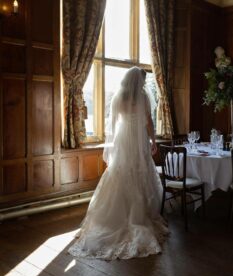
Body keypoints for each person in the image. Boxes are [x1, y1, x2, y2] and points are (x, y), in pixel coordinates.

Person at [68, 67, 168, 260]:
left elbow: (112, 124)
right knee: (139, 174)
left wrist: (113, 146)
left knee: (120, 173)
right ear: (138, 81)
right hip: (138, 139)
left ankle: (115, 218)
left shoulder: (119, 97)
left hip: (123, 139)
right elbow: (148, 122)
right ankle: (138, 217)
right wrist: (153, 141)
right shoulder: (143, 97)